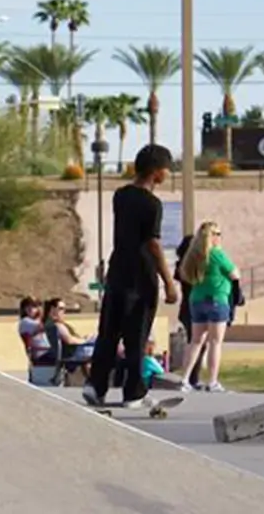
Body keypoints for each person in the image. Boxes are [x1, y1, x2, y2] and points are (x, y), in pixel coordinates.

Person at [82, 143, 178, 409]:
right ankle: (133, 392)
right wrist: (169, 282)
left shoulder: (120, 196)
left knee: (109, 331)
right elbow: (153, 244)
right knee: (136, 335)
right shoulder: (152, 204)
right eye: (166, 170)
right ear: (156, 172)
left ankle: (96, 386)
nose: (167, 175)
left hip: (117, 272)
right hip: (141, 274)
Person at [176, 220, 240, 393]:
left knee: (195, 341)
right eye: (217, 234)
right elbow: (234, 273)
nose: (220, 237)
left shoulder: (194, 255)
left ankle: (184, 379)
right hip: (217, 299)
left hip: (196, 299)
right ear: (211, 237)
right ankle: (212, 381)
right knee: (215, 342)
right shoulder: (217, 254)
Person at [175, 234, 205, 387]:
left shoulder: (182, 265)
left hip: (187, 308)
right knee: (197, 342)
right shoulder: (187, 267)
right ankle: (193, 378)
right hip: (192, 307)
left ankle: (193, 376)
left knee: (196, 341)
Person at [17, 296, 50, 362]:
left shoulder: (37, 320)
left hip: (47, 352)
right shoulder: (25, 321)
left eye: (34, 306)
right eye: (27, 306)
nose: (30, 309)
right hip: (40, 354)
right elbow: (44, 326)